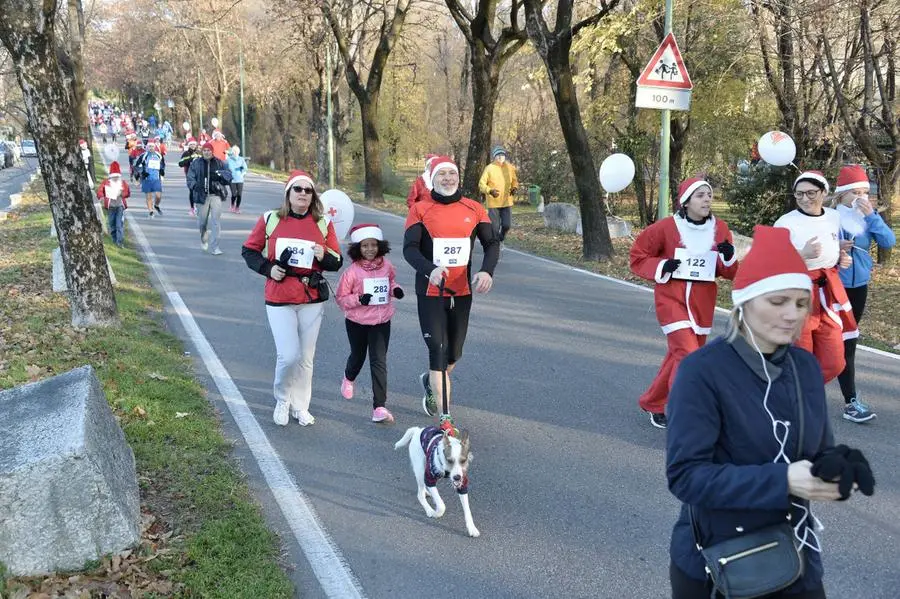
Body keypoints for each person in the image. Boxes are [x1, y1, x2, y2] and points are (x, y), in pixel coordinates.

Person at [666, 224, 874, 599]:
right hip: (719, 562)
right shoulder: (703, 371)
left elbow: (817, 452)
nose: (791, 315)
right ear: (745, 303)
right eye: (777, 302)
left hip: (796, 557)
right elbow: (686, 478)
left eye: (800, 302)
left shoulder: (804, 367)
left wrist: (840, 467)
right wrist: (784, 481)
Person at [629, 177, 739, 429]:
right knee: (688, 356)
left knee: (678, 356)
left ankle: (653, 402)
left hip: (702, 305)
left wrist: (730, 258)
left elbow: (727, 272)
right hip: (671, 300)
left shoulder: (720, 229)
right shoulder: (666, 227)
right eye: (700, 195)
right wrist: (661, 266)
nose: (707, 199)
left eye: (709, 195)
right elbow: (638, 256)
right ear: (686, 201)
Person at [403, 156, 500, 434]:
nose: (447, 178)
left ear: (458, 177)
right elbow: (410, 249)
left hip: (462, 291)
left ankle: (431, 381)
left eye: (451, 173)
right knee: (438, 349)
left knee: (454, 353)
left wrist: (487, 271)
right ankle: (445, 417)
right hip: (431, 291)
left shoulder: (474, 208)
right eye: (441, 174)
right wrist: (429, 269)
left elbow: (491, 243)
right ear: (432, 179)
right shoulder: (420, 209)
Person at [241, 170, 343, 426]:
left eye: (308, 191)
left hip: (311, 297)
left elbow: (336, 261)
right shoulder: (271, 219)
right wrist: (268, 269)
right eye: (298, 189)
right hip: (280, 296)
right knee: (289, 355)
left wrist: (323, 255)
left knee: (306, 357)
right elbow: (249, 251)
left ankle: (301, 406)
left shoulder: (323, 224)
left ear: (313, 196)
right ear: (288, 193)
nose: (303, 195)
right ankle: (283, 399)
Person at [774, 170, 856, 383]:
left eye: (810, 193)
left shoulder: (833, 217)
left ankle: (801, 389)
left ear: (823, 193)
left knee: (835, 361)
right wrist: (802, 254)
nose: (804, 199)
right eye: (799, 194)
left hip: (827, 292)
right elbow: (771, 261)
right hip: (798, 294)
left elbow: (829, 244)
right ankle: (796, 400)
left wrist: (840, 255)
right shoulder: (785, 222)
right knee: (801, 354)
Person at [831, 165, 895, 423]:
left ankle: (850, 402)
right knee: (821, 341)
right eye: (855, 192)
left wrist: (872, 217)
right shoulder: (830, 217)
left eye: (865, 192)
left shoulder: (867, 217)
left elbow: (888, 242)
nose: (861, 197)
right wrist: (836, 249)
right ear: (842, 195)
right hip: (832, 287)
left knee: (848, 343)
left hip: (859, 288)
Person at [335, 224, 404, 424]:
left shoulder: (387, 266)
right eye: (365, 246)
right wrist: (359, 299)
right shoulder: (352, 272)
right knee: (358, 355)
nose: (370, 249)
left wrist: (395, 290)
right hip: (357, 322)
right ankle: (349, 377)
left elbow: (390, 282)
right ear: (358, 248)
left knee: (379, 361)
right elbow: (341, 298)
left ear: (380, 245)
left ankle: (379, 407)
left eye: (373, 245)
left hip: (381, 321)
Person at [187, 142, 230, 254]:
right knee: (202, 222)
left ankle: (215, 247)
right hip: (202, 196)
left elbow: (228, 176)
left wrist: (222, 177)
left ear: (212, 151)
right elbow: (190, 178)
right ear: (202, 152)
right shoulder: (196, 163)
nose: (206, 152)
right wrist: (196, 186)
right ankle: (204, 239)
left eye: (209, 150)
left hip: (216, 195)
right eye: (205, 150)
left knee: (216, 221)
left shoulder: (219, 163)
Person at [478, 146, 519, 243]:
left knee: (507, 225)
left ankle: (502, 236)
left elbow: (515, 181)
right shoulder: (489, 168)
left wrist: (515, 188)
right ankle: (495, 246)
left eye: (502, 155)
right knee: (494, 228)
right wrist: (490, 191)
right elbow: (481, 184)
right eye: (498, 155)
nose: (500, 157)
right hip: (493, 203)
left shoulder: (510, 167)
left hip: (506, 202)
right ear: (494, 157)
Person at [97, 161, 130, 247]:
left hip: (119, 206)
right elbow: (100, 191)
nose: (115, 178)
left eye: (117, 177)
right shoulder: (106, 183)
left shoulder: (123, 183)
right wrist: (101, 197)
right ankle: (114, 240)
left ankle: (119, 242)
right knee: (112, 224)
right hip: (110, 207)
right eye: (113, 177)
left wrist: (121, 193)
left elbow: (127, 193)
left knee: (119, 224)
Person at [134, 140, 165, 217]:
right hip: (147, 178)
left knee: (158, 196)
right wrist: (140, 174)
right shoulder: (143, 155)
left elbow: (163, 165)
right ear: (147, 147)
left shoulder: (159, 155)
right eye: (149, 146)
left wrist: (161, 172)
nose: (151, 148)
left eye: (152, 146)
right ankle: (151, 211)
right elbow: (136, 166)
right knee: (149, 196)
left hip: (156, 178)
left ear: (155, 147)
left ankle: (156, 205)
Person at [178, 137, 201, 216]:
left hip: (199, 175)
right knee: (192, 191)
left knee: (199, 191)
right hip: (189, 175)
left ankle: (198, 206)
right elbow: (180, 163)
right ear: (189, 145)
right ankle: (192, 208)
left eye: (194, 144)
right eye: (191, 145)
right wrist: (190, 158)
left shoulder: (199, 152)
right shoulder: (186, 153)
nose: (193, 146)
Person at [226, 145, 248, 213]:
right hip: (232, 179)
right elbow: (226, 168)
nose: (235, 152)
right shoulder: (229, 159)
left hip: (240, 179)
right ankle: (232, 205)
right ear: (232, 152)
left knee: (239, 194)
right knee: (234, 194)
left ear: (238, 152)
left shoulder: (241, 159)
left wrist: (241, 173)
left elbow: (245, 168)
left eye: (236, 151)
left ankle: (237, 207)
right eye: (234, 151)